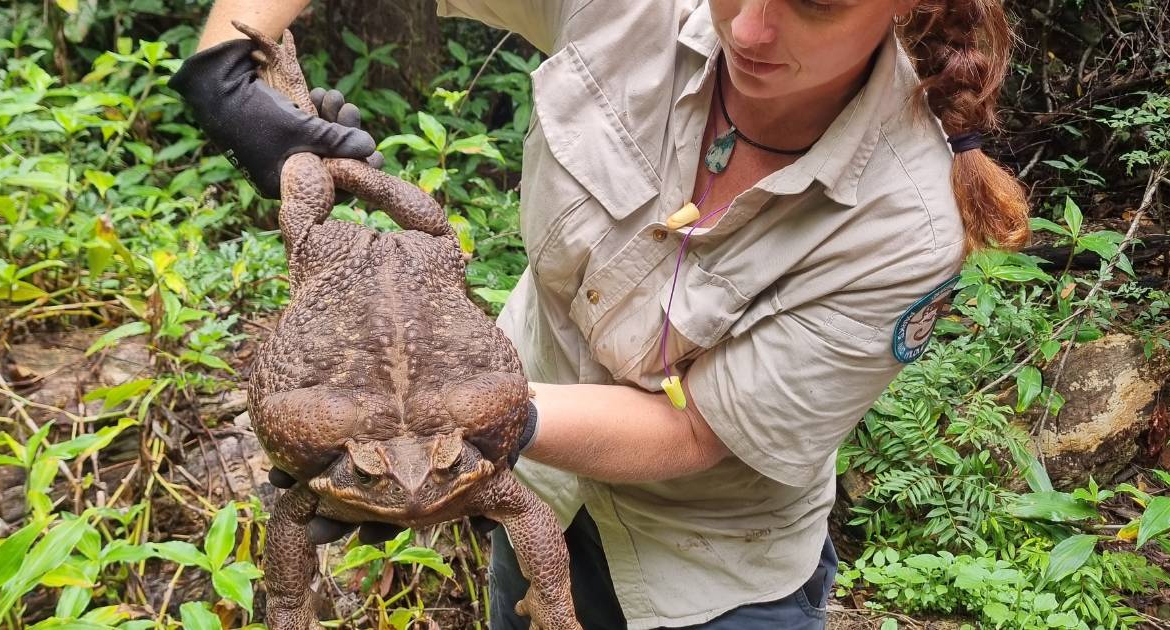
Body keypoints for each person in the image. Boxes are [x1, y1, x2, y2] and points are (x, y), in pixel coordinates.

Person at [170, 0, 1030, 628]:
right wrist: (227, 75)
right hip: (535, 496)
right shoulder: (635, 10)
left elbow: (700, 432)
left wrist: (466, 425)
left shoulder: (906, 224)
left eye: (817, 4)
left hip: (708, 575)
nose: (753, 28)